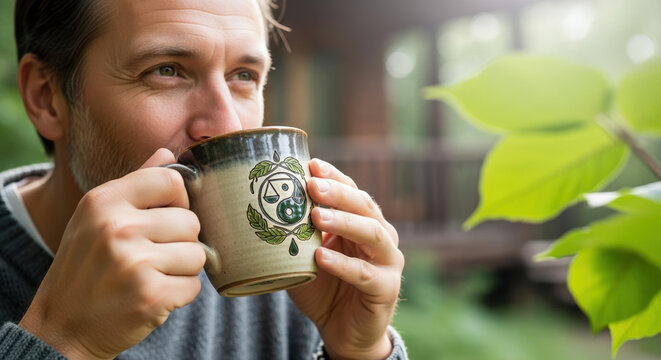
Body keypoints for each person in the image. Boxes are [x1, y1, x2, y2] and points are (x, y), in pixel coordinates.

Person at [0, 0, 407, 359]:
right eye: (167, 70)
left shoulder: (290, 281)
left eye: (244, 76)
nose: (226, 123)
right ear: (46, 97)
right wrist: (63, 343)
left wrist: (359, 352)